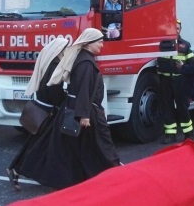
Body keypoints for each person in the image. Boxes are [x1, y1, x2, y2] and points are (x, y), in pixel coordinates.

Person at [17, 28, 120, 189]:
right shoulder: (86, 62)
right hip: (85, 113)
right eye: (99, 42)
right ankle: (115, 174)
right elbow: (84, 90)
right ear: (89, 43)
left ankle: (90, 177)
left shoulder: (83, 58)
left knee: (66, 148)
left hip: (75, 110)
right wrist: (84, 115)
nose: (101, 45)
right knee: (101, 144)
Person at [7, 37, 69, 191]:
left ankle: (15, 169)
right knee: (42, 145)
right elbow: (54, 91)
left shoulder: (48, 64)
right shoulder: (55, 66)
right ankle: (18, 169)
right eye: (66, 49)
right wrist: (65, 100)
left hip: (42, 110)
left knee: (36, 143)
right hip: (49, 112)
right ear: (59, 51)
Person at [158, 19, 194, 143]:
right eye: (174, 27)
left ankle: (188, 134)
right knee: (167, 107)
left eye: (178, 28)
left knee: (182, 107)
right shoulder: (162, 44)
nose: (176, 29)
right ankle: (170, 134)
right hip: (165, 80)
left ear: (180, 29)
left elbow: (191, 65)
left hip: (180, 80)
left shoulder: (185, 45)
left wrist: (183, 66)